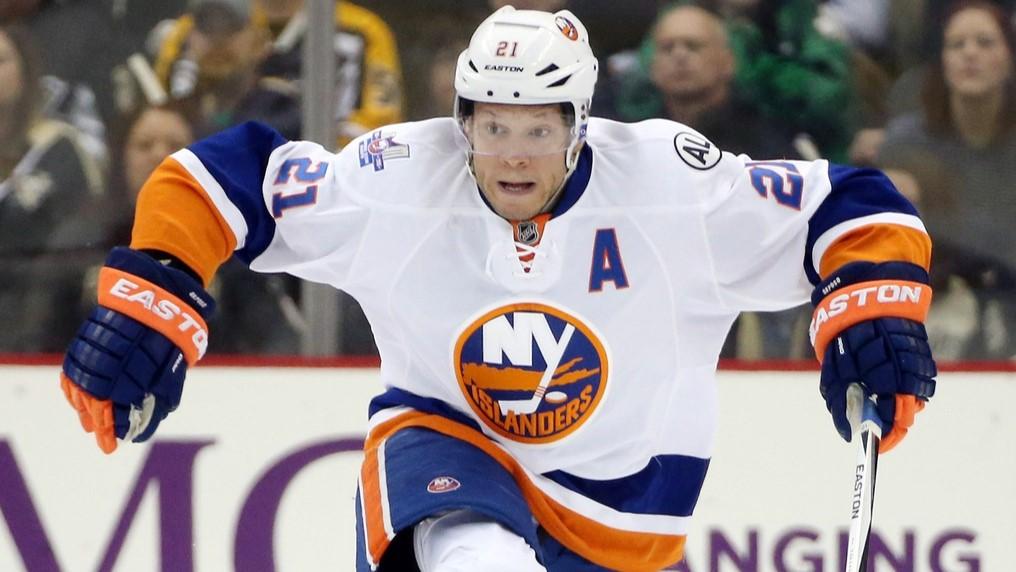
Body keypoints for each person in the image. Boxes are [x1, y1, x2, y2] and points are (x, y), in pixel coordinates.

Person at [58, 7, 938, 571]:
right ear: (463, 120)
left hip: (626, 513)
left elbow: (854, 206)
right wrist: (157, 287)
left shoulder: (673, 185)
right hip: (447, 447)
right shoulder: (397, 177)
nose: (512, 154)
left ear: (580, 126)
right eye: (491, 127)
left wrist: (871, 306)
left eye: (537, 129)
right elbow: (218, 173)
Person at [877, 0, 1016, 358]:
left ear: (1009, 57)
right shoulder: (905, 145)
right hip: (937, 298)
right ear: (942, 61)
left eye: (985, 43)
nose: (970, 54)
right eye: (957, 45)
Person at [0, 24, 108, 352]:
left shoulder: (60, 149)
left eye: (1, 60)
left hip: (39, 331)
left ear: (26, 72)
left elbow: (79, 236)